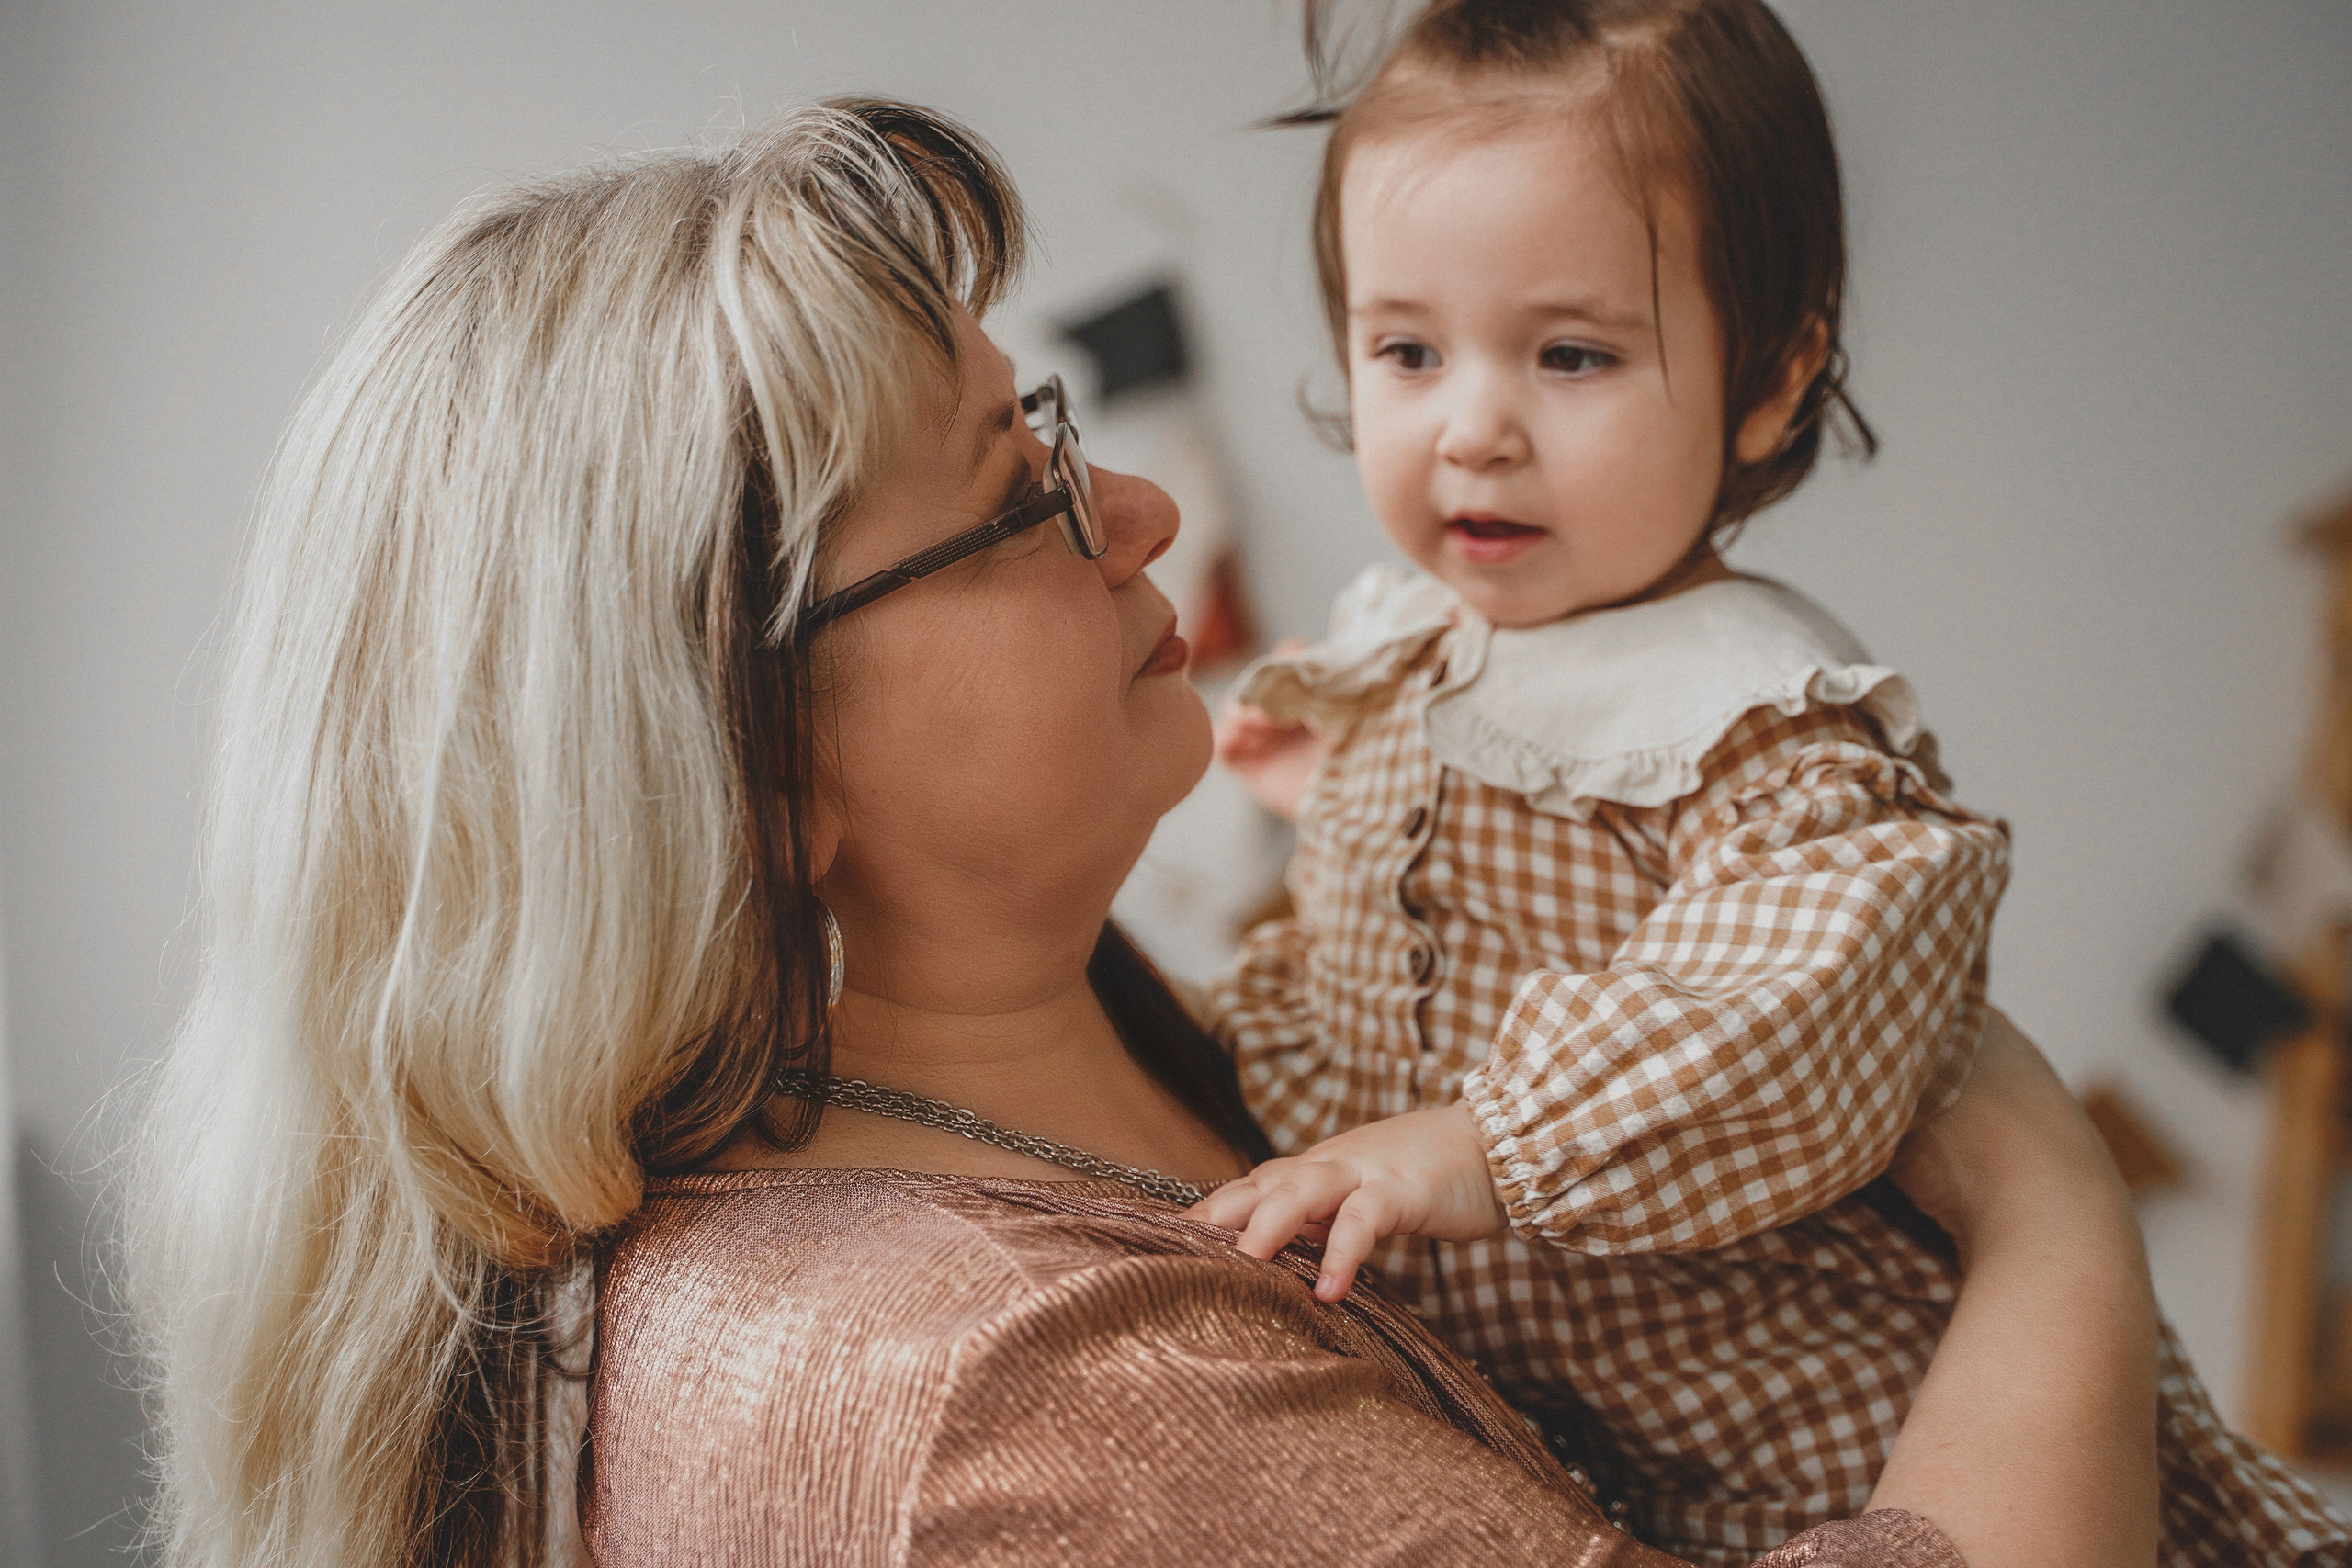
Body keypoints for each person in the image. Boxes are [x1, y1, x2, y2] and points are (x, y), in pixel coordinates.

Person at [130, 96, 2150, 1568]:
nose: (1142, 516)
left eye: (1058, 434)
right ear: (752, 772)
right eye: (1014, 499)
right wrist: (2048, 1199)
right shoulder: (1018, 1390)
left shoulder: (1125, 1041)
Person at [1203, 4, 2348, 1561]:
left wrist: (1479, 1142)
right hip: (1578, 1452)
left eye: (1572, 354)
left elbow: (1788, 1006)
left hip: (1829, 1429)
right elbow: (1385, 985)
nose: (1473, 428)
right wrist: (1344, 813)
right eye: (1409, 349)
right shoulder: (1420, 655)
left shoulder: (1757, 723)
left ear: (1770, 379)